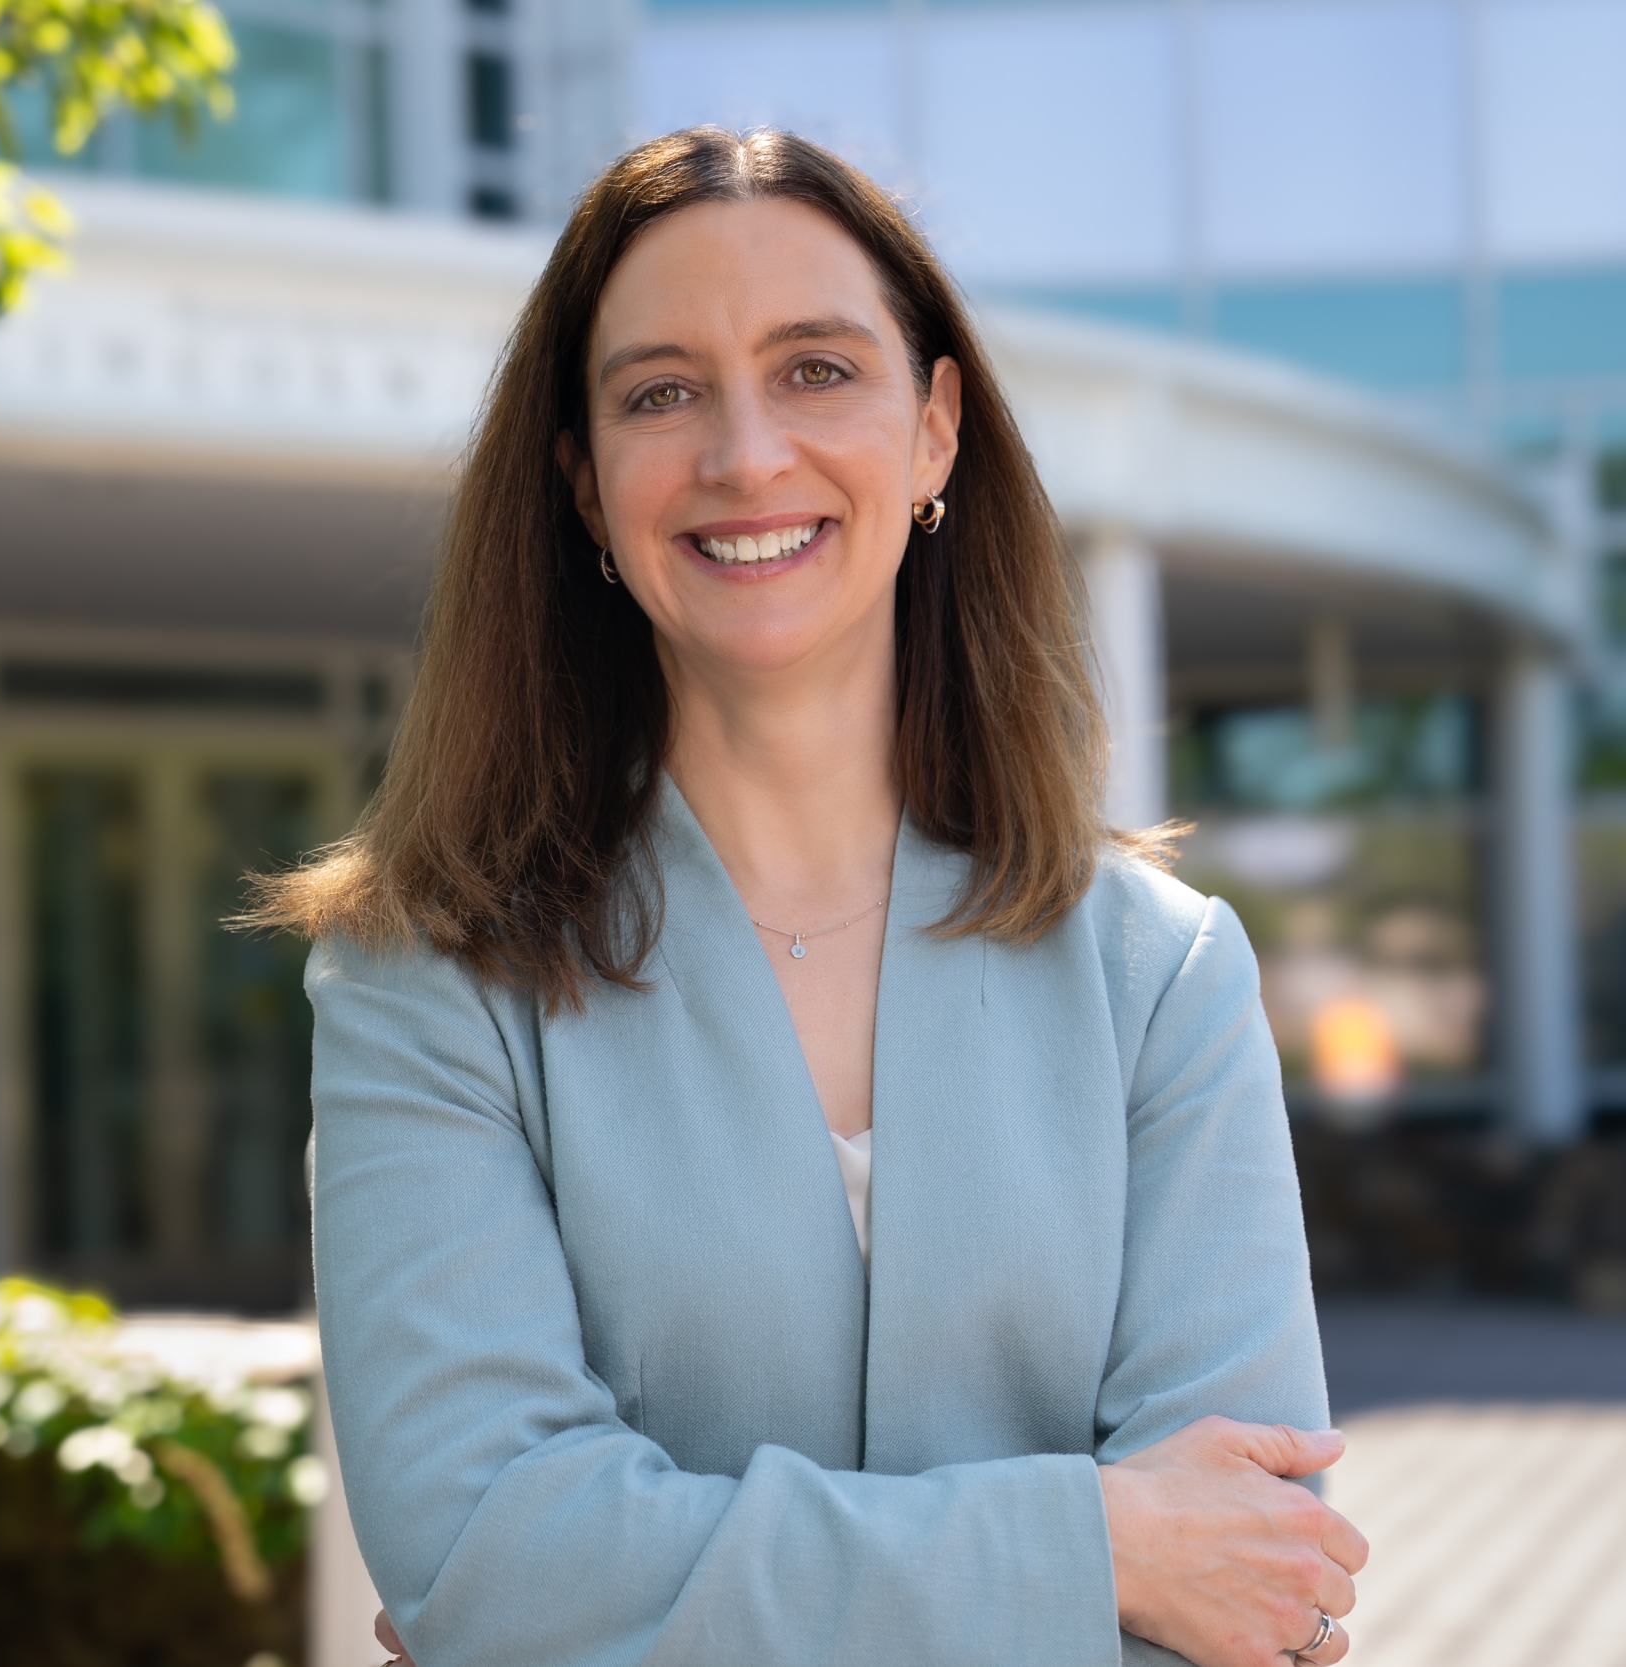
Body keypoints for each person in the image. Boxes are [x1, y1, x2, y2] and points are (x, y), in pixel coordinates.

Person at [249, 127, 1367, 1667]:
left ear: (937, 428)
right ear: (583, 484)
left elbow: (1255, 1587)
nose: (746, 455)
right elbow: (490, 1557)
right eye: (660, 393)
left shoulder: (1158, 977)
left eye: (818, 370)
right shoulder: (425, 979)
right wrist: (1098, 1547)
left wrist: (625, 1594)